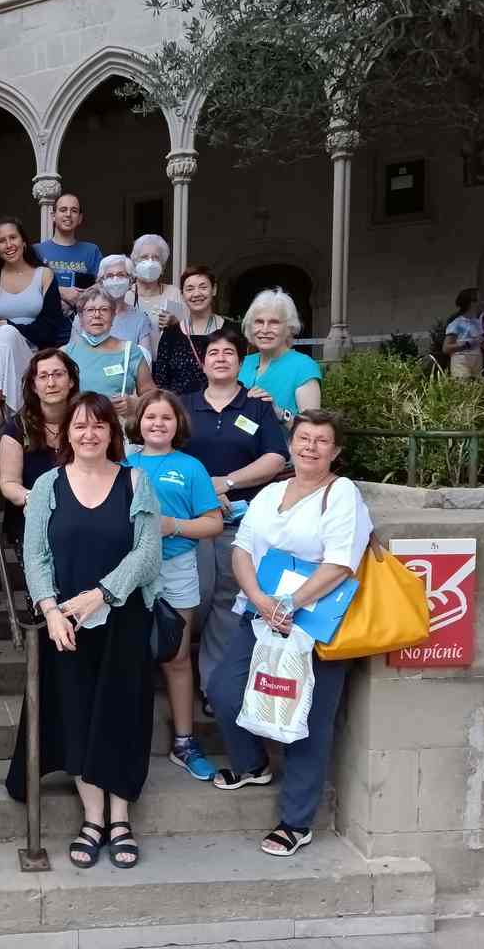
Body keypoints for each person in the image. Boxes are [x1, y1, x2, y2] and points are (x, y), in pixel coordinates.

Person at [6, 391, 162, 870]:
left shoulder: (136, 481)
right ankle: (93, 817)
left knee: (122, 714)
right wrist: (50, 610)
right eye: (80, 426)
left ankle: (120, 818)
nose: (89, 433)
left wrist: (102, 593)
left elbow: (147, 553)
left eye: (99, 425)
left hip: (123, 618)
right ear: (67, 434)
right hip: (66, 624)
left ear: (112, 432)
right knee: (76, 715)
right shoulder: (48, 485)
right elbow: (35, 555)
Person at [207, 410, 372, 857]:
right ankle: (251, 764)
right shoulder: (271, 492)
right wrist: (260, 599)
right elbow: (242, 549)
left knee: (310, 721)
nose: (310, 447)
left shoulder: (342, 494)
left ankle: (296, 821)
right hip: (261, 612)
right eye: (303, 438)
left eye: (322, 440)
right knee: (223, 690)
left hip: (315, 622)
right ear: (291, 443)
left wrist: (290, 604)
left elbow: (340, 563)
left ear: (335, 451)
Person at [182, 327, 289, 696]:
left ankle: (214, 688)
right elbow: (167, 453)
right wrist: (204, 491)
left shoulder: (257, 406)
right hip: (192, 521)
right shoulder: (183, 405)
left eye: (229, 352)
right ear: (203, 363)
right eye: (213, 353)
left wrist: (226, 483)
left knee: (230, 601)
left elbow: (275, 457)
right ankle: (179, 673)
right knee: (195, 596)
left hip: (240, 522)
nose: (221, 358)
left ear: (240, 362)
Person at [124, 390, 224, 780]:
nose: (158, 424)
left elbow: (213, 523)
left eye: (166, 417)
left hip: (177, 566)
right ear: (138, 422)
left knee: (177, 656)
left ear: (177, 423)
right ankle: (123, 739)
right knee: (128, 655)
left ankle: (184, 741)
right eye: (150, 417)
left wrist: (173, 526)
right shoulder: (121, 463)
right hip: (129, 569)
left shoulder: (191, 467)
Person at [0, 217, 70, 428]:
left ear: (24, 241)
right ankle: (5, 415)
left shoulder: (43, 275)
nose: (9, 245)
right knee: (4, 334)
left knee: (6, 330)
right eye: (2, 241)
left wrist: (12, 325)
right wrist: (6, 329)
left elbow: (51, 326)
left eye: (13, 238)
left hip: (34, 355)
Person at [0, 348, 79, 549]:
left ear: (71, 381)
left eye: (58, 374)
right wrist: (35, 499)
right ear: (33, 386)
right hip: (33, 523)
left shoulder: (86, 422)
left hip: (81, 519)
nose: (51, 383)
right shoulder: (16, 428)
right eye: (43, 376)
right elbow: (8, 483)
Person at [63, 285, 155, 421]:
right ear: (80, 318)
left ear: (113, 316)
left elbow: (152, 395)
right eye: (90, 310)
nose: (97, 315)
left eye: (104, 309)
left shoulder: (130, 351)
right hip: (78, 427)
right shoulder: (65, 354)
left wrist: (135, 404)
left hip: (118, 428)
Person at [239, 288, 323, 422]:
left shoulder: (304, 366)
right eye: (259, 322)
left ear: (289, 328)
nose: (265, 329)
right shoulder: (244, 363)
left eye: (274, 322)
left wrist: (278, 413)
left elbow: (311, 428)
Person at [153, 265, 227, 397]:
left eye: (203, 287)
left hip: (223, 405)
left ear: (214, 289)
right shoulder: (170, 334)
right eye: (190, 289)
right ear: (182, 295)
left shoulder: (231, 331)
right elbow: (161, 383)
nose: (196, 294)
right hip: (180, 408)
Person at [35, 193, 104, 310]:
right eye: (63, 210)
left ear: (80, 218)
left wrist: (80, 297)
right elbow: (27, 286)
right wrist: (60, 292)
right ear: (53, 216)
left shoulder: (92, 251)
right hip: (45, 317)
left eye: (74, 211)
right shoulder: (37, 250)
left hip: (82, 317)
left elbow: (103, 285)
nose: (68, 214)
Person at [124, 234, 181, 357]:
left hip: (165, 363)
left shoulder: (172, 293)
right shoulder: (126, 295)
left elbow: (185, 327)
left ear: (163, 265)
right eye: (144, 257)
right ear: (135, 263)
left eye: (156, 258)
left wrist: (174, 321)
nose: (150, 262)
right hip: (132, 363)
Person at [443, 287, 484, 380]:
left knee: (477, 387)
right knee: (464, 386)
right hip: (461, 361)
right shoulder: (456, 323)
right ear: (472, 303)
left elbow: (480, 340)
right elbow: (446, 348)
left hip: (477, 361)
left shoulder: (477, 322)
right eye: (480, 299)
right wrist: (466, 344)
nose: (482, 302)